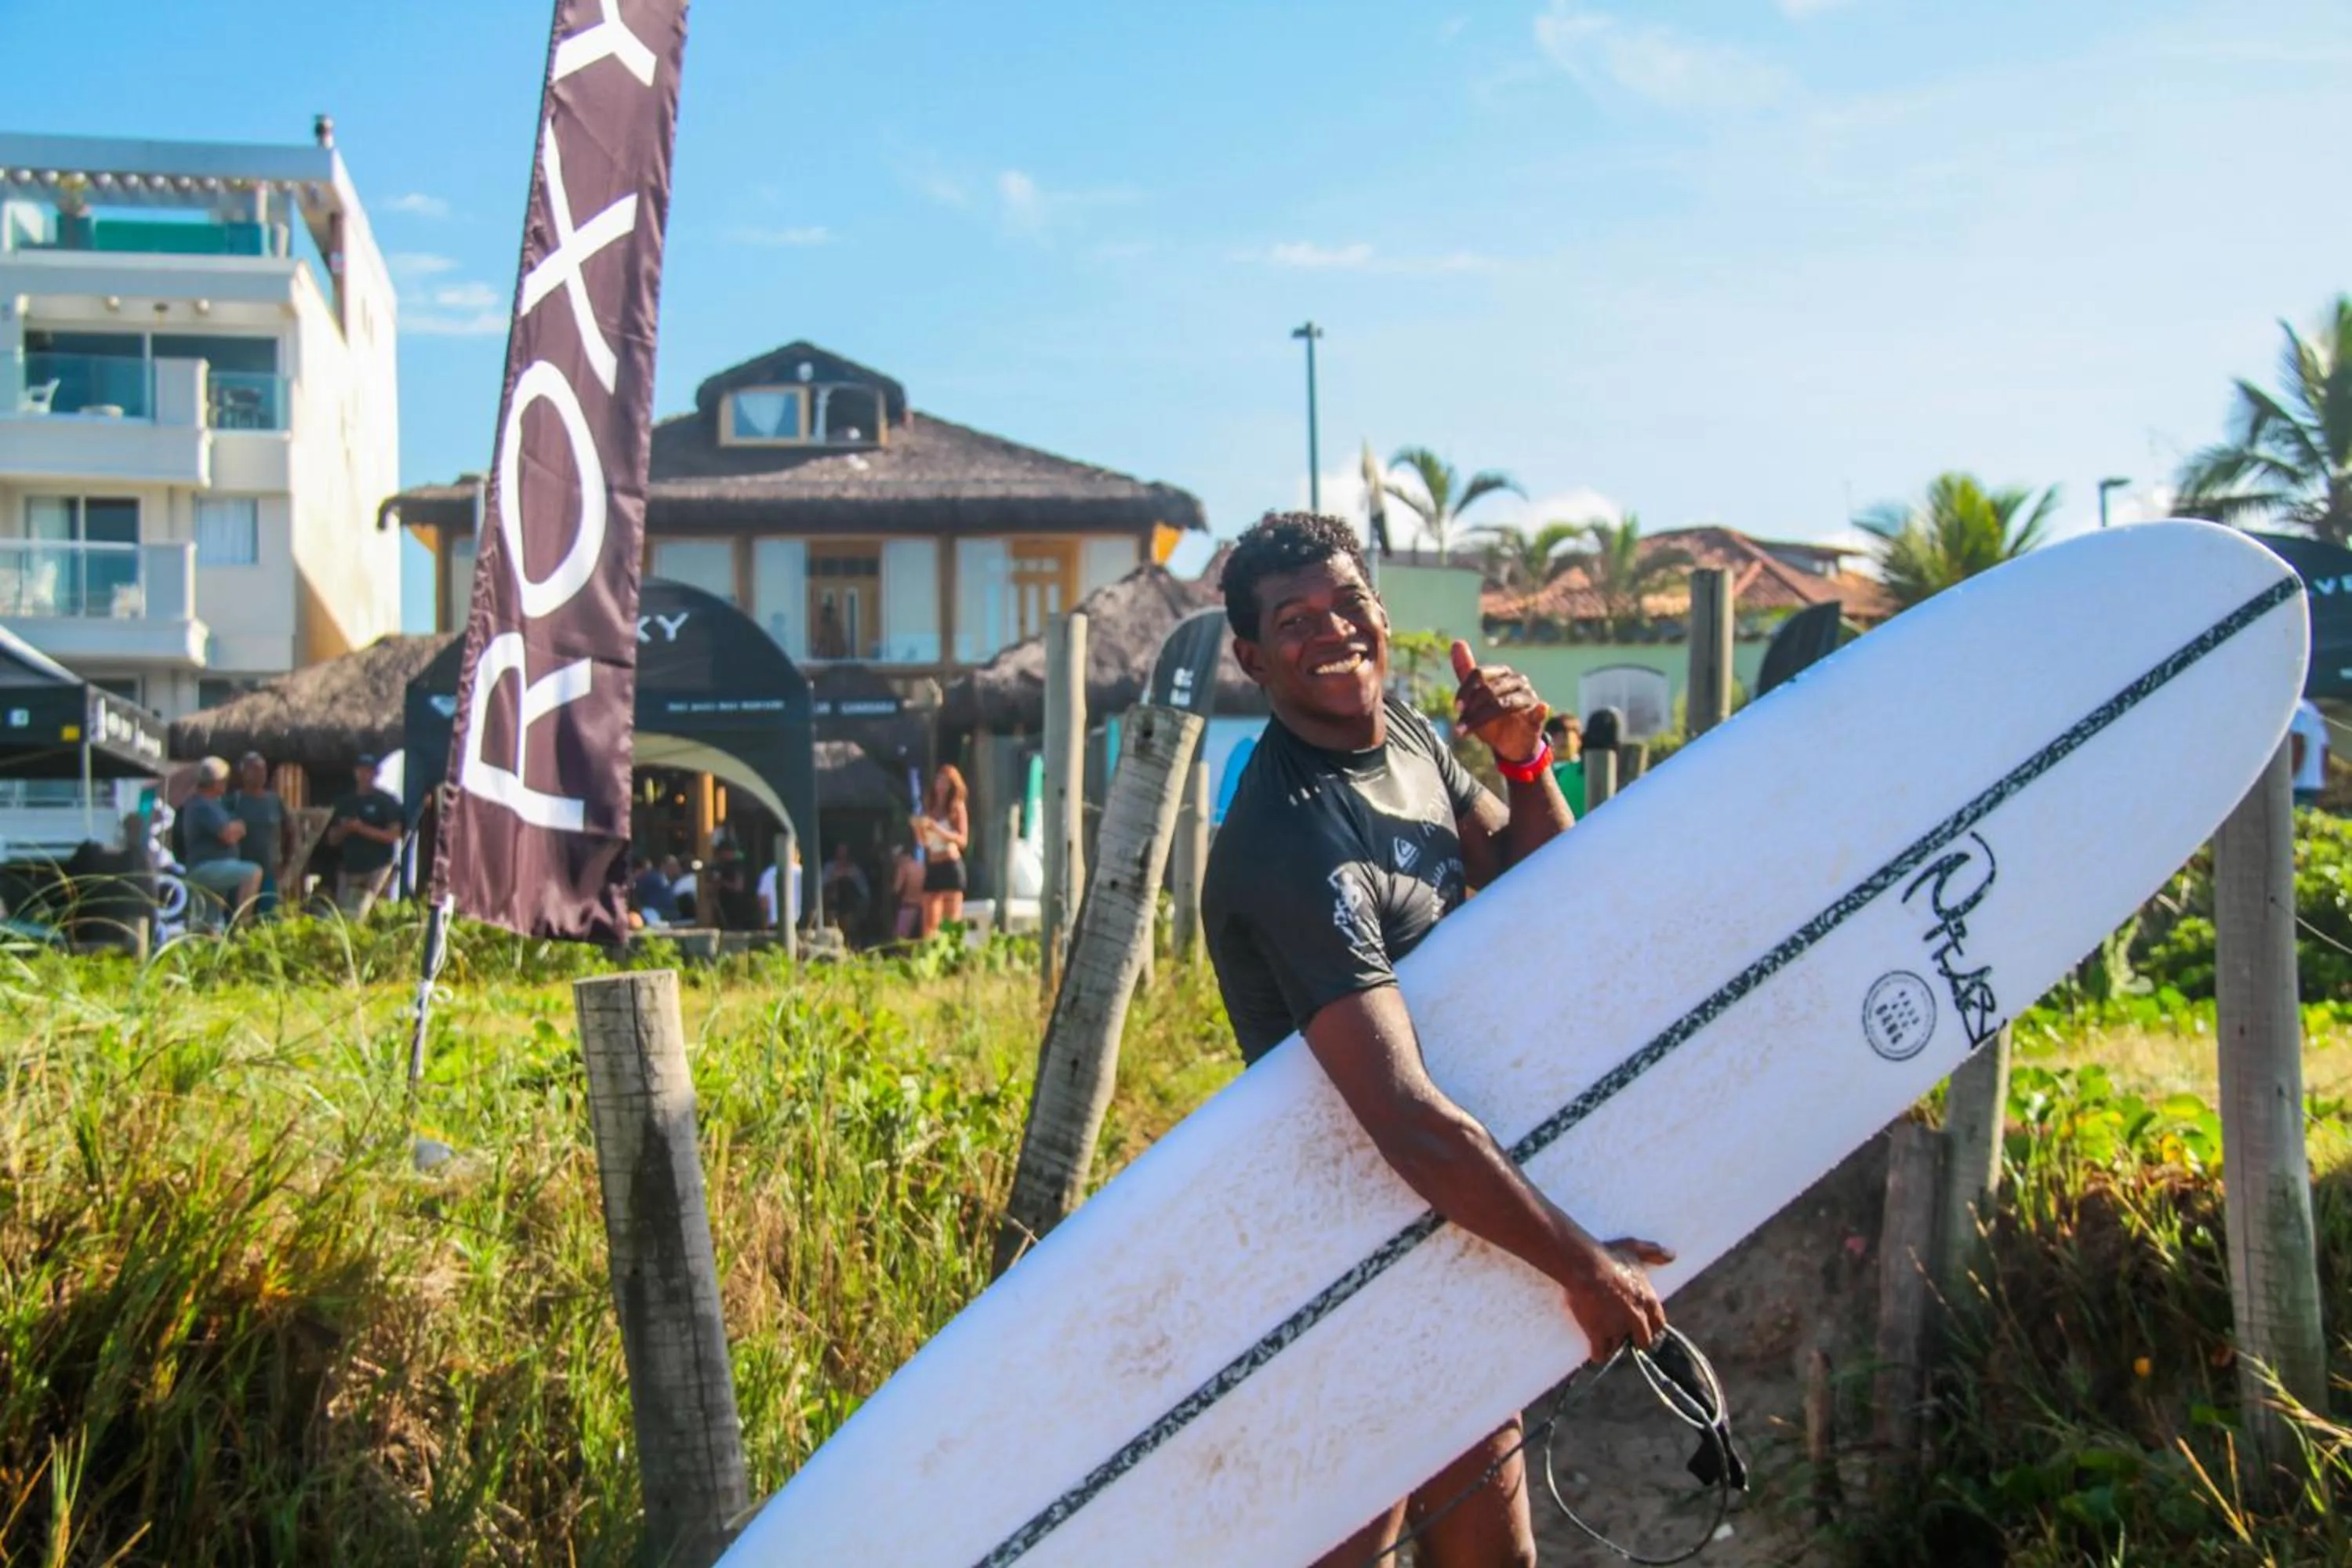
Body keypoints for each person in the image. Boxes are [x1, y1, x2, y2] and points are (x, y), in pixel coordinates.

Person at [1201, 512, 1671, 1568]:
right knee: (1352, 1540)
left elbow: (1529, 889)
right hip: (1348, 1249)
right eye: (1293, 620)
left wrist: (1523, 760)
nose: (1332, 633)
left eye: (1347, 604)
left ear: (1381, 611)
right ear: (1251, 657)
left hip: (1453, 1219)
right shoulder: (1289, 838)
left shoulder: (1406, 737)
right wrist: (1582, 1266)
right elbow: (1405, 1118)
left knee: (1487, 1544)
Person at [180, 756, 262, 927]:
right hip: (205, 869)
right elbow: (228, 834)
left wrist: (236, 827)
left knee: (210, 925)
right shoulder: (201, 805)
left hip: (210, 871)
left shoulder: (213, 804)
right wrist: (238, 827)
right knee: (253, 872)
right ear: (216, 782)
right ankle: (242, 928)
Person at [325, 753, 404, 919]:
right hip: (351, 869)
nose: (365, 775)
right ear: (355, 773)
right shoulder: (344, 803)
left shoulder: (387, 801)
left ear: (376, 774)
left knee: (378, 915)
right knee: (349, 917)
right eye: (362, 771)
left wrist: (362, 829)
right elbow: (332, 839)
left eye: (369, 771)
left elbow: (393, 835)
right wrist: (346, 829)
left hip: (379, 869)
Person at [225, 750, 291, 917]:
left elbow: (290, 831)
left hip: (268, 870)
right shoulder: (233, 801)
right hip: (240, 872)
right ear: (243, 772)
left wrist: (285, 862)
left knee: (268, 918)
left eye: (262, 770)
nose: (260, 774)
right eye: (254, 770)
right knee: (238, 917)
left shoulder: (274, 801)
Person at [913, 762, 971, 936]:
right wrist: (919, 829)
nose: (941, 786)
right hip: (933, 863)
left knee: (951, 922)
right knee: (929, 923)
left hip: (950, 864)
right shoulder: (929, 807)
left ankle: (951, 958)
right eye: (939, 781)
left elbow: (963, 840)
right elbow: (924, 843)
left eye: (946, 782)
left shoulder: (956, 807)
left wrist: (938, 829)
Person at [1544, 712, 1585, 821]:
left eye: (1572, 731)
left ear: (1579, 739)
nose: (1566, 736)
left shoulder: (1589, 771)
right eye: (1557, 731)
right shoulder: (1540, 775)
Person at [2291, 698, 2329, 808]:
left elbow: (2297, 746)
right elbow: (2325, 749)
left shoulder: (2295, 709)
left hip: (2297, 788)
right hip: (2313, 787)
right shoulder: (2312, 709)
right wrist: (2322, 783)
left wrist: (2285, 782)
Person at [891, 842, 926, 941]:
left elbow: (897, 888)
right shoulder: (921, 866)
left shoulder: (903, 866)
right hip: (922, 907)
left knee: (900, 939)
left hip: (908, 907)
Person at [632, 851, 677, 925]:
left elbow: (635, 898)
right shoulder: (657, 876)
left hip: (656, 913)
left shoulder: (645, 878)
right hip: (672, 913)